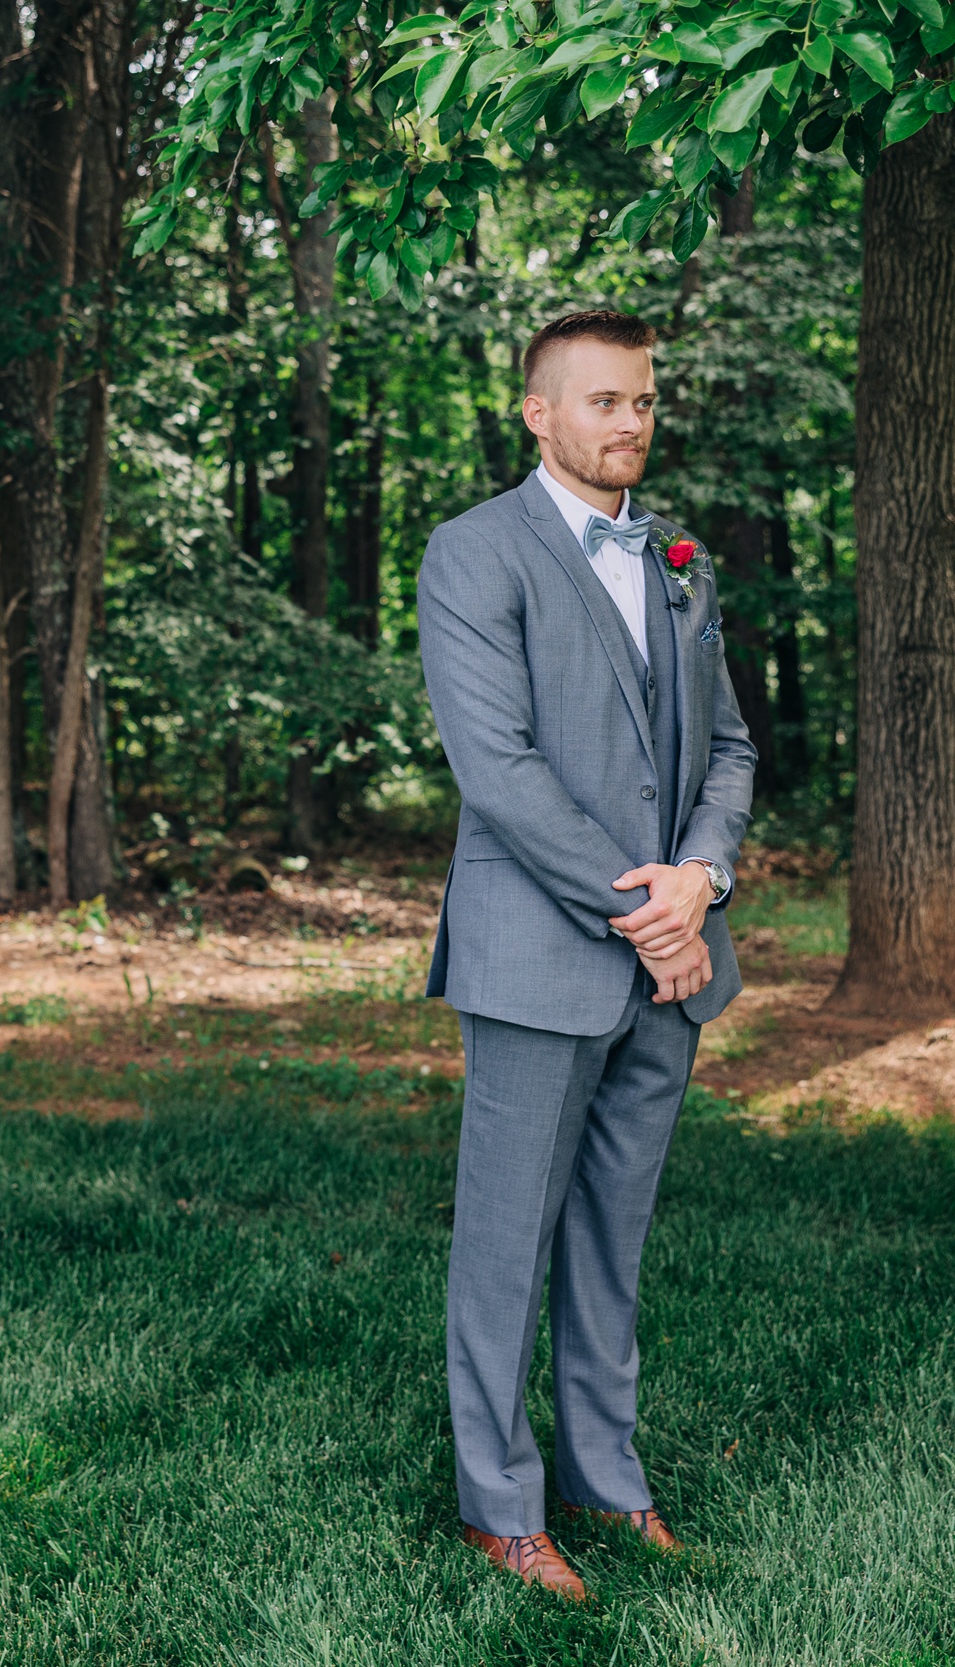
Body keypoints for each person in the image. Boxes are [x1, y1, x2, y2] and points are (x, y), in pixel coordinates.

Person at [417, 311, 755, 1598]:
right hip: (541, 953)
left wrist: (702, 879)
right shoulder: (472, 552)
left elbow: (725, 750)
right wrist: (647, 908)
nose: (630, 423)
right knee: (507, 1239)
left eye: (645, 401)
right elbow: (497, 771)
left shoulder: (681, 560)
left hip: (668, 963)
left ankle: (605, 1478)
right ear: (538, 413)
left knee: (614, 1235)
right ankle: (495, 1502)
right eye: (604, 401)